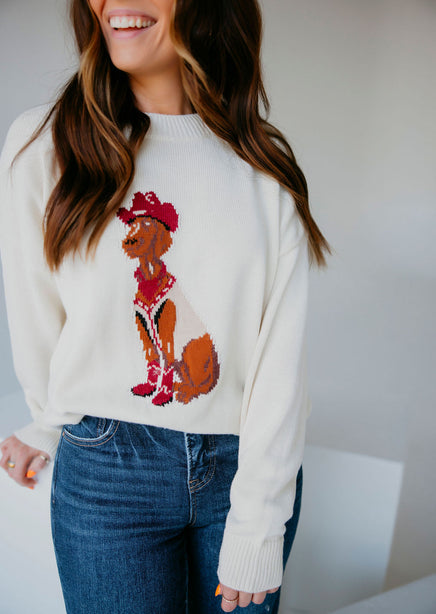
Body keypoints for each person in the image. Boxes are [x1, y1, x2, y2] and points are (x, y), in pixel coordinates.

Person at [0, 0, 331, 612]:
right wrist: (48, 419)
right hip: (106, 470)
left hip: (242, 468)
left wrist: (259, 522)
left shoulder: (264, 169)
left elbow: (280, 366)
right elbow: (37, 310)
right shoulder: (44, 144)